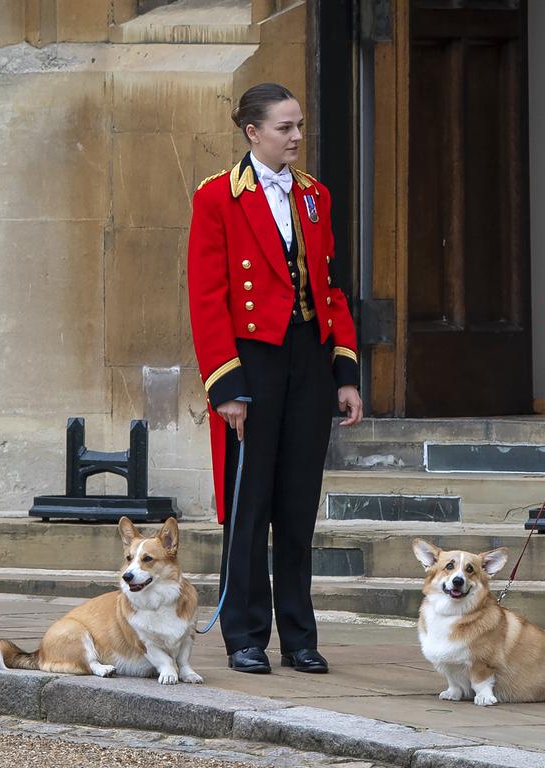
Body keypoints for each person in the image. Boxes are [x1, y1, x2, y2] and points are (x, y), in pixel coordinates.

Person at [187, 83, 363, 675]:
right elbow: (207, 299)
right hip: (251, 364)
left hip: (308, 360)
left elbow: (331, 288)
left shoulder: (314, 196)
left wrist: (344, 371)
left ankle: (300, 636)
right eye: (285, 127)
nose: (296, 137)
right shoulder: (217, 197)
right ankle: (244, 633)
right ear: (252, 132)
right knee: (249, 503)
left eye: (299, 126)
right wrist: (226, 387)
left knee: (296, 505)